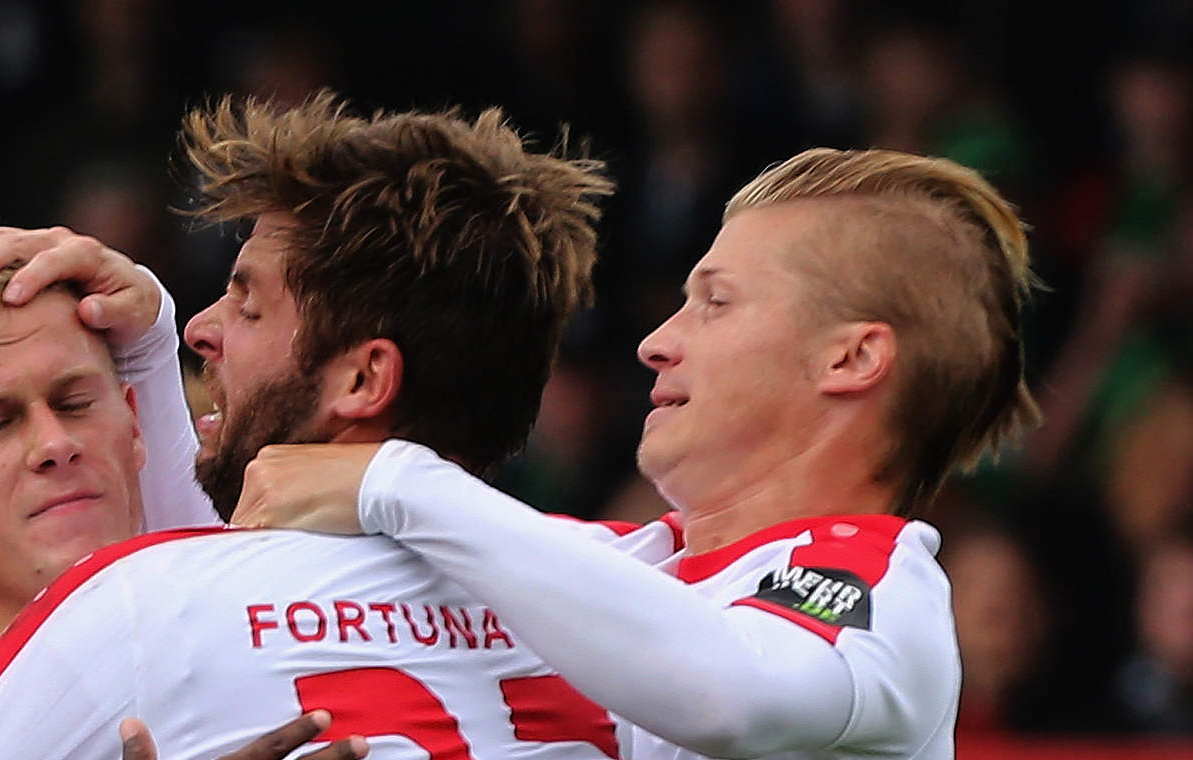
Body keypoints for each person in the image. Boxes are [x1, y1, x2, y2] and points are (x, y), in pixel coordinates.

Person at [0, 92, 615, 759]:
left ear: (362, 380)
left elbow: (187, 597)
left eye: (248, 305)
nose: (201, 329)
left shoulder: (137, 613)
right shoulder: (628, 581)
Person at [240, 147, 1042, 758]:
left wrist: (399, 480)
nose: (657, 343)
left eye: (715, 304)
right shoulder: (626, 571)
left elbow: (734, 691)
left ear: (852, 360)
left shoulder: (881, 588)